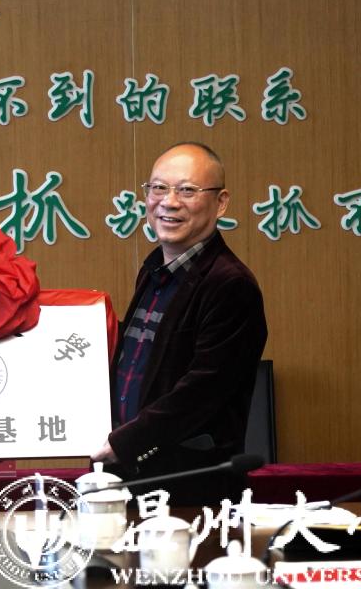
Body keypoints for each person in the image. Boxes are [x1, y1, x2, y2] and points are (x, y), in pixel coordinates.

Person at [92, 142, 268, 505]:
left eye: (187, 190)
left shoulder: (230, 284)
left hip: (190, 489)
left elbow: (203, 390)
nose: (169, 202)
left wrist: (123, 442)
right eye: (158, 188)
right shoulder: (155, 269)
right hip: (131, 477)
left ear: (221, 202)